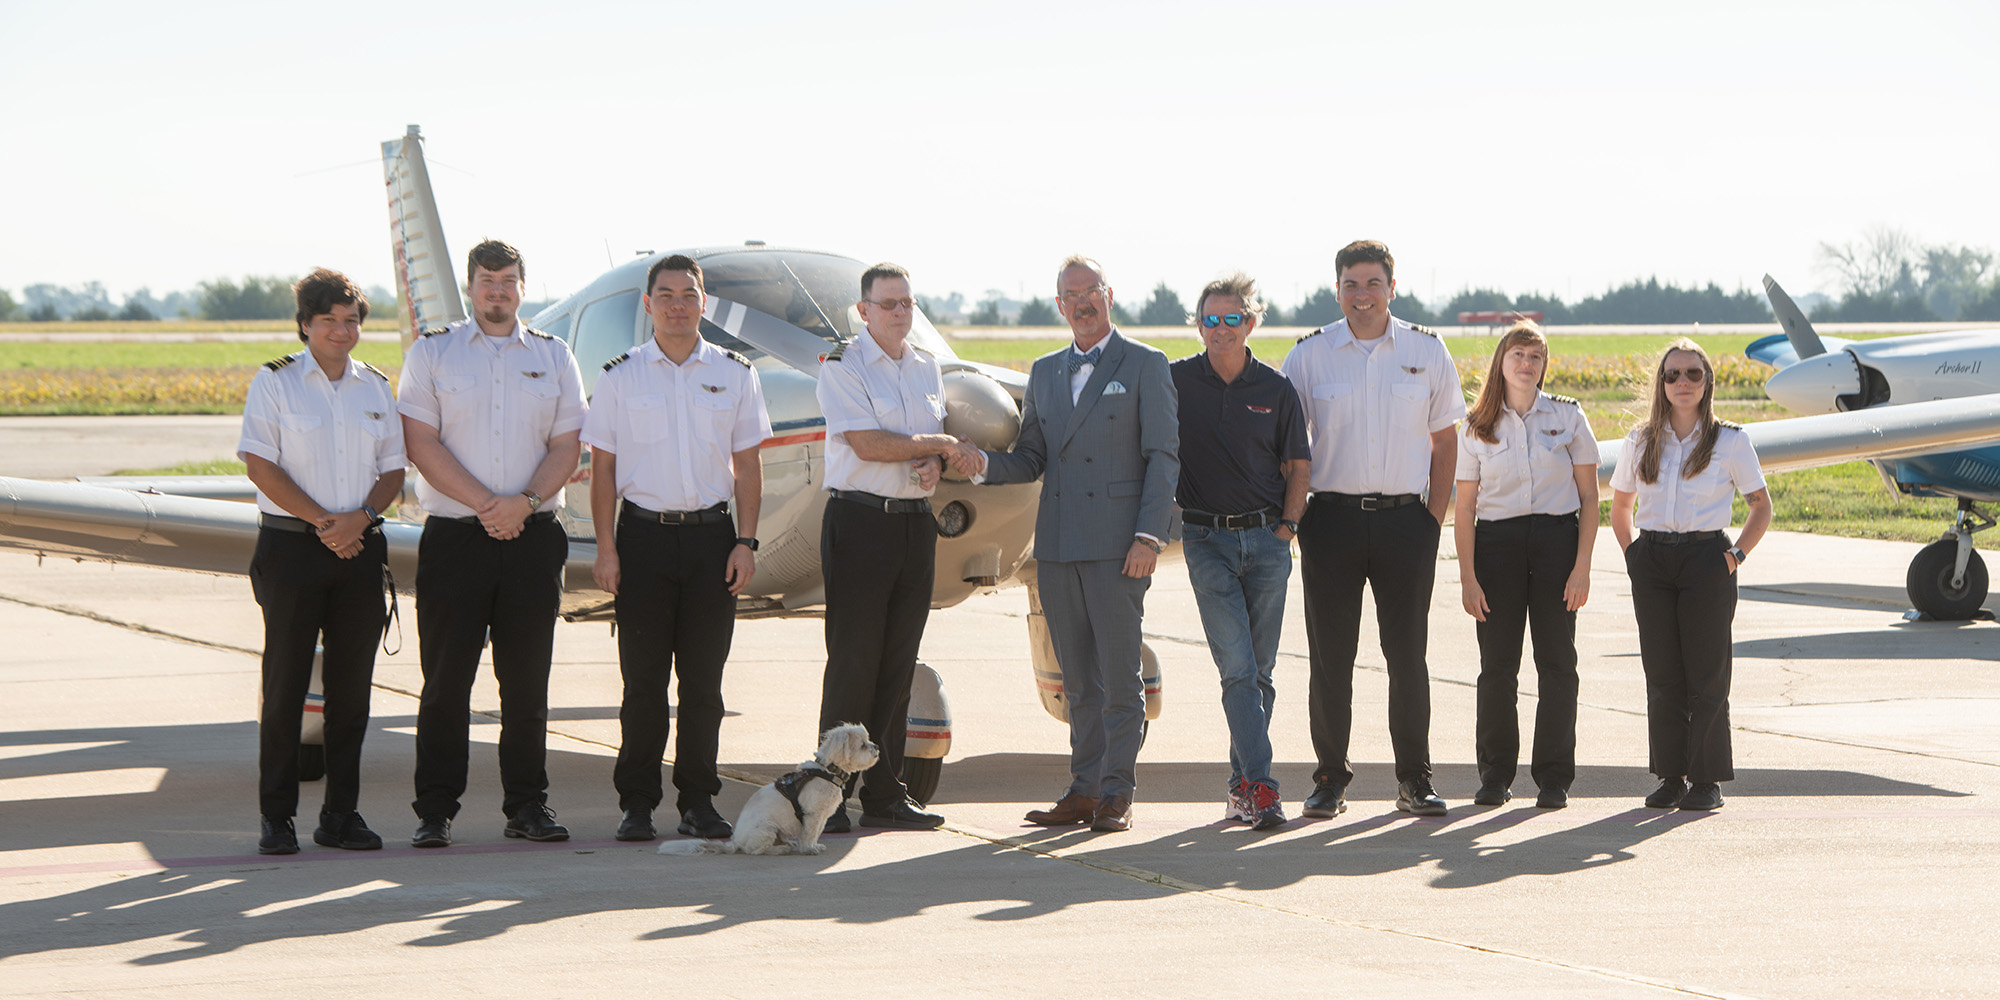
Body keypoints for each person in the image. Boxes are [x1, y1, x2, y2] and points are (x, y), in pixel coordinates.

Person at [947, 255, 1178, 832]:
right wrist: (979, 466)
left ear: (1108, 295)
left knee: (1120, 678)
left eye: (1090, 291)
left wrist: (1149, 536)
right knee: (1078, 680)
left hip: (1119, 544)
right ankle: (1083, 790)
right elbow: (1031, 458)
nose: (1081, 302)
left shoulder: (1146, 363)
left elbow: (1163, 458)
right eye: (1070, 295)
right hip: (1056, 545)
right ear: (1058, 305)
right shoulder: (1046, 371)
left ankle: (1117, 794)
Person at [399, 239, 587, 847]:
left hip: (534, 540)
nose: (497, 290)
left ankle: (528, 807)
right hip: (457, 540)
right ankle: (434, 812)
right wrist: (488, 506)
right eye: (487, 280)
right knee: (446, 683)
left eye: (508, 280)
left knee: (527, 684)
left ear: (522, 288)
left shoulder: (556, 357)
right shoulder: (433, 354)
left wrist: (523, 504)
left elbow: (567, 445)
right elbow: (420, 442)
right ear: (471, 287)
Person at [584, 254, 771, 843]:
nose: (676, 305)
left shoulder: (736, 374)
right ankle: (637, 803)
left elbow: (747, 467)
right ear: (649, 304)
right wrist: (607, 549)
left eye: (688, 295)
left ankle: (697, 800)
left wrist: (745, 541)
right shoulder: (619, 377)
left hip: (714, 540)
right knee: (642, 684)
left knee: (703, 685)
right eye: (665, 295)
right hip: (641, 540)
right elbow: (603, 473)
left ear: (703, 304)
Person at [1280, 239, 1463, 819]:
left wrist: (1433, 517)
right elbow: (1288, 444)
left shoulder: (1427, 350)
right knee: (1329, 658)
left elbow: (1445, 440)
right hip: (1330, 522)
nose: (1362, 295)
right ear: (1337, 289)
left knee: (1408, 656)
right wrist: (1300, 515)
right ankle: (1330, 777)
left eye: (1372, 283)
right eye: (1351, 284)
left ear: (1392, 286)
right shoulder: (1310, 355)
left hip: (1406, 523)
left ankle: (1415, 778)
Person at [239, 268, 404, 855]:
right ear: (306, 325)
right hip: (292, 549)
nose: (341, 330)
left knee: (351, 691)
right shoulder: (277, 382)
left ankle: (340, 815)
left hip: (359, 547)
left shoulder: (375, 388)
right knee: (284, 686)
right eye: (329, 320)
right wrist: (325, 523)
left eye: (351, 320)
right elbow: (261, 467)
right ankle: (277, 818)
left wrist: (357, 519)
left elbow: (393, 471)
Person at [814, 262, 958, 834]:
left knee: (898, 664)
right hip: (859, 523)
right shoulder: (842, 367)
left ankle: (885, 793)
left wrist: (933, 460)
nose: (900, 312)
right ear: (863, 311)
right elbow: (868, 444)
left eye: (907, 303)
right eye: (888, 303)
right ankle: (829, 793)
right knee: (854, 662)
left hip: (912, 525)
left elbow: (922, 449)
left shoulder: (926, 367)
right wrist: (939, 443)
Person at [1170, 273, 1309, 830]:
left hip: (1269, 541)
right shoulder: (1174, 380)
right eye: (1210, 319)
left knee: (1262, 672)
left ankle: (1238, 788)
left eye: (1232, 319)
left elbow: (1299, 467)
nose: (1220, 329)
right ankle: (1262, 787)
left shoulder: (1275, 389)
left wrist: (1288, 530)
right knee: (1237, 668)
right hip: (1206, 541)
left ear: (1251, 323)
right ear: (1198, 324)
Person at [1610, 338, 1771, 812]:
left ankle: (1706, 780)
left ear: (1707, 383)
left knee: (1707, 674)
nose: (1683, 382)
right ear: (1661, 384)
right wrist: (1633, 556)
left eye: (1693, 374)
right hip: (1653, 560)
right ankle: (1670, 776)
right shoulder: (1640, 440)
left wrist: (1735, 555)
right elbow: (1620, 505)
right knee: (1662, 674)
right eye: (1673, 374)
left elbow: (1760, 506)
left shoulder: (1731, 441)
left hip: (1707, 559)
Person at [1454, 321, 1599, 811]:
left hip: (1557, 543)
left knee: (1558, 662)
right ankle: (1495, 775)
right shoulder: (1476, 426)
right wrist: (1468, 577)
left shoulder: (1568, 416)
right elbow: (1466, 510)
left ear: (1544, 365)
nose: (1526, 364)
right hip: (1497, 546)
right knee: (1497, 666)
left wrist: (1581, 568)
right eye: (1517, 354)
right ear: (1501, 360)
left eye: (1535, 357)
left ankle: (1554, 777)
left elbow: (1590, 499)